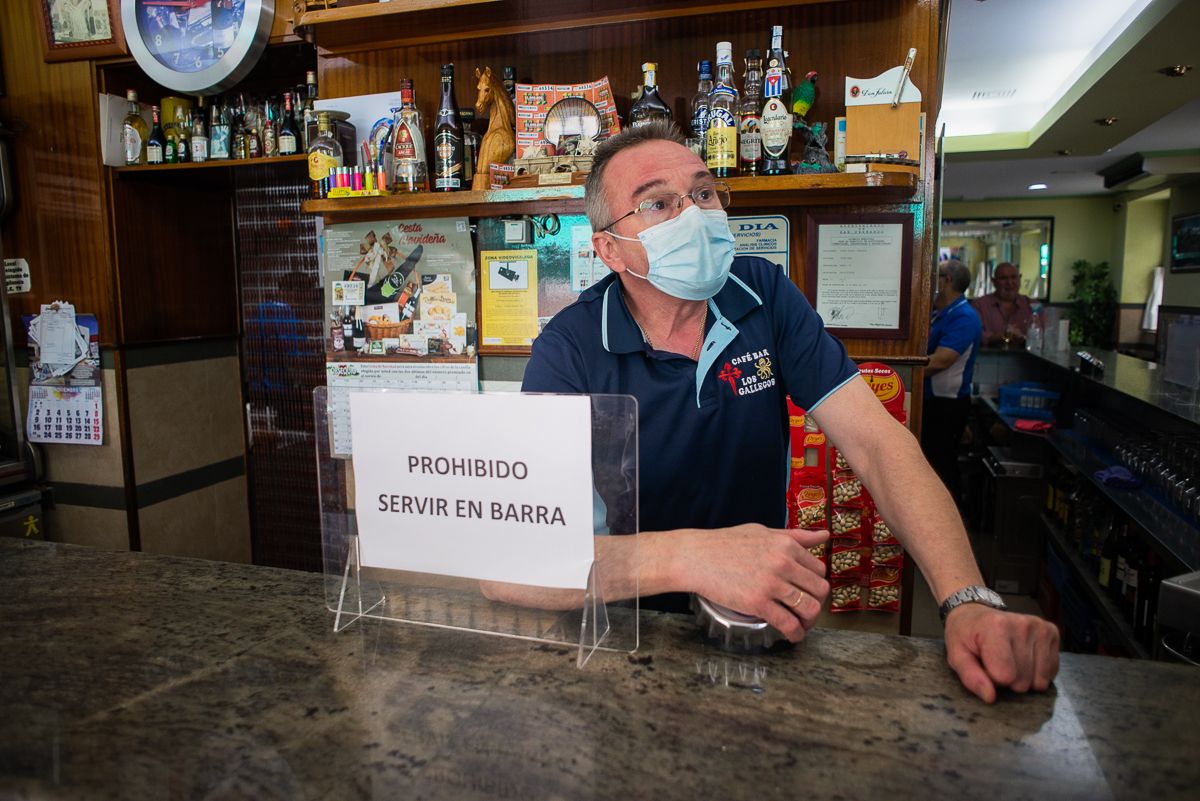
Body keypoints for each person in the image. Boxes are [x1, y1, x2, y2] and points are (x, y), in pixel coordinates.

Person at [517, 121, 1057, 703]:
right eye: (659, 203)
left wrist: (967, 599)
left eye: (703, 193)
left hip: (755, 627)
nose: (694, 214)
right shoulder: (568, 349)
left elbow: (878, 444)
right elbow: (516, 563)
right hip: (620, 635)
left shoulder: (762, 294)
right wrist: (690, 557)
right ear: (609, 249)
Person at [921, 260, 982, 505]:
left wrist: (900, 373)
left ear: (946, 281)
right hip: (932, 401)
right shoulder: (940, 313)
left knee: (942, 466)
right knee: (931, 464)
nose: (930, 281)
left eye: (935, 276)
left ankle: (949, 517)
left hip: (946, 404)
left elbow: (941, 361)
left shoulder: (964, 317)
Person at [973, 262, 1033, 346]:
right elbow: (975, 335)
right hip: (991, 354)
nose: (1009, 282)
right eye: (1003, 278)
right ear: (994, 282)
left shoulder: (1032, 306)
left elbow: (1042, 335)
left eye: (1013, 277)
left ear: (1019, 279)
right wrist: (1003, 336)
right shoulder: (979, 305)